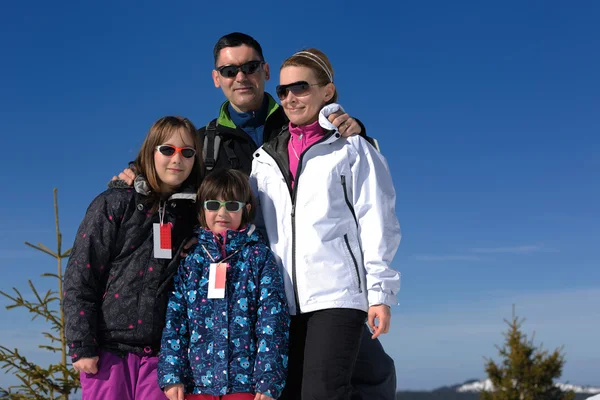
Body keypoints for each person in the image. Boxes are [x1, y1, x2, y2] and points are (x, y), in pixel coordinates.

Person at [116, 32, 398, 400]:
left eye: (249, 67)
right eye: (229, 70)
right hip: (249, 294)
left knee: (368, 374)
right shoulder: (205, 143)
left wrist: (352, 127)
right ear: (216, 78)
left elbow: (359, 183)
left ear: (264, 70)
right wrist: (135, 175)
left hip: (321, 283)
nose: (240, 77)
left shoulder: (296, 119)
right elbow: (170, 171)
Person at [249, 48, 401, 400]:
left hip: (336, 296)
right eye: (283, 91)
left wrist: (380, 293)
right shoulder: (265, 160)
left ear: (327, 91)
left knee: (321, 393)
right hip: (282, 302)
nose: (289, 97)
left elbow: (378, 221)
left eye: (300, 87)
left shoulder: (352, 148)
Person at [64, 116, 204, 400]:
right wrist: (82, 346)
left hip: (162, 359)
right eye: (168, 149)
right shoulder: (114, 203)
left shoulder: (193, 217)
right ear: (151, 151)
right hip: (108, 352)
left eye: (187, 152)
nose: (177, 159)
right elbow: (81, 275)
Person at [158, 169, 289, 400]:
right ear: (202, 210)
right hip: (197, 384)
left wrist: (268, 380)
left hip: (245, 384)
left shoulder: (258, 257)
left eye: (231, 205)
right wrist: (172, 373)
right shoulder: (193, 261)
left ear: (245, 210)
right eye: (213, 205)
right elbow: (175, 320)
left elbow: (273, 320)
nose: (222, 213)